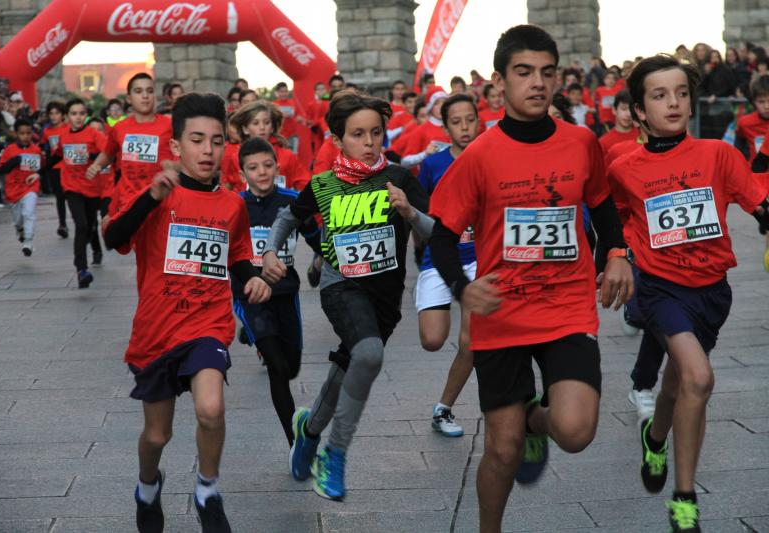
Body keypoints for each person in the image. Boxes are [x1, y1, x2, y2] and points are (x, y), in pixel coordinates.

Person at [427, 25, 633, 533]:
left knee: (577, 430)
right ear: (499, 83)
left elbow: (602, 204)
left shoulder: (582, 142)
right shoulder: (479, 155)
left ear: (558, 76)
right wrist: (461, 288)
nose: (537, 83)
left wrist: (617, 254)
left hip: (566, 306)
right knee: (502, 448)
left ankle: (536, 419)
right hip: (503, 313)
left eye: (547, 72)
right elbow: (441, 236)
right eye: (524, 73)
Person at [608, 54, 769, 533]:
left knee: (677, 383)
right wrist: (615, 255)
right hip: (659, 290)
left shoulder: (718, 155)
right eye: (658, 96)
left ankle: (655, 439)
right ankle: (684, 500)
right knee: (698, 378)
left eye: (680, 93)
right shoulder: (623, 167)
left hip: (712, 294)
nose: (673, 103)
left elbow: (758, 203)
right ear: (638, 110)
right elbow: (610, 218)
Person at [103, 92, 271, 533]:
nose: (208, 151)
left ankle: (207, 489)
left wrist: (252, 278)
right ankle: (147, 486)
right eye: (197, 140)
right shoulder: (155, 194)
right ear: (176, 147)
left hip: (207, 324)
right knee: (158, 436)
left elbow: (236, 258)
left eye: (216, 141)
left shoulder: (232, 203)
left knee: (211, 408)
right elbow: (114, 238)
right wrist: (149, 199)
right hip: (157, 331)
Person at [261, 91, 431, 501]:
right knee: (368, 355)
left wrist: (410, 213)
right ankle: (334, 453)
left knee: (352, 361)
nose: (370, 142)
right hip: (341, 287)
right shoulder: (323, 184)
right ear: (338, 140)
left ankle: (308, 430)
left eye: (376, 132)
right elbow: (289, 217)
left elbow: (435, 234)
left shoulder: (401, 179)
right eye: (358, 134)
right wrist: (269, 250)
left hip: (386, 297)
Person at [233, 137, 321, 445]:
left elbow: (313, 236)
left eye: (268, 165)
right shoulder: (234, 206)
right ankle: (294, 441)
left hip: (285, 292)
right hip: (250, 295)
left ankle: (259, 338)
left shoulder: (292, 200)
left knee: (292, 366)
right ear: (242, 172)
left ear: (277, 166)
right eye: (253, 167)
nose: (262, 172)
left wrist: (324, 258)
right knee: (276, 365)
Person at [416, 93, 481, 437]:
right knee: (432, 339)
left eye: (470, 119)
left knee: (471, 339)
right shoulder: (433, 165)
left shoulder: (489, 156)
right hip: (439, 258)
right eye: (456, 122)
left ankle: (444, 408)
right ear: (445, 127)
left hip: (478, 260)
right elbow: (424, 214)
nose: (465, 127)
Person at [87, 73, 174, 218]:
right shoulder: (120, 128)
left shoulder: (169, 125)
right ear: (129, 98)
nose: (145, 96)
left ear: (155, 96)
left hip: (162, 201)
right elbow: (109, 153)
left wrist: (174, 167)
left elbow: (185, 156)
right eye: (138, 91)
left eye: (150, 91)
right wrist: (96, 165)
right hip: (128, 200)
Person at [44, 98, 107, 288]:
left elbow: (110, 153)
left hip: (92, 188)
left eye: (81, 113)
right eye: (73, 113)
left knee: (89, 226)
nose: (77, 117)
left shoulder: (94, 135)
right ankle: (81, 270)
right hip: (71, 187)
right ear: (67, 116)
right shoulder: (64, 136)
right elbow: (56, 156)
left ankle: (91, 249)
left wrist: (93, 158)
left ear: (85, 115)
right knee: (81, 225)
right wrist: (37, 174)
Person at [221, 101, 309, 192]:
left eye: (267, 123)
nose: (262, 127)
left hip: (281, 205)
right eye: (255, 123)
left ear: (272, 128)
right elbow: (229, 188)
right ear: (245, 129)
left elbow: (307, 186)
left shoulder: (288, 156)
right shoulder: (236, 158)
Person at [0, 118, 42, 256]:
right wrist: (14, 161)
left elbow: (40, 168)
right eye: (22, 133)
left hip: (30, 188)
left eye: (28, 133)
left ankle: (28, 241)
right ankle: (20, 230)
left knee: (29, 212)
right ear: (16, 134)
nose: (25, 136)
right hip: (14, 190)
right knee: (18, 220)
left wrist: (38, 174)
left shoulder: (36, 150)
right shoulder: (10, 150)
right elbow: (2, 169)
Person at [42, 101, 69, 238]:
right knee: (60, 197)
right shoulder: (47, 131)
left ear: (63, 115)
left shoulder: (69, 128)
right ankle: (62, 224)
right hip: (54, 167)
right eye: (51, 113)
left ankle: (82, 222)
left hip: (69, 167)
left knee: (71, 195)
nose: (53, 116)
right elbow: (43, 147)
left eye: (57, 113)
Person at [735, 75, 769, 163]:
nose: (766, 106)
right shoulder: (745, 122)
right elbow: (738, 146)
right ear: (754, 101)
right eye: (761, 102)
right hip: (756, 174)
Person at [598, 90, 639, 159]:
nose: (628, 114)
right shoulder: (603, 142)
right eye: (624, 109)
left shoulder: (644, 136)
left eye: (632, 110)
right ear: (614, 110)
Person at [273, 82, 302, 154]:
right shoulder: (274, 104)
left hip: (293, 135)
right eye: (281, 92)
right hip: (280, 135)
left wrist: (299, 119)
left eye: (285, 91)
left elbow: (299, 116)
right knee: (281, 155)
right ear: (277, 93)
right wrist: (281, 115)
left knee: (293, 155)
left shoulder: (293, 102)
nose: (284, 94)